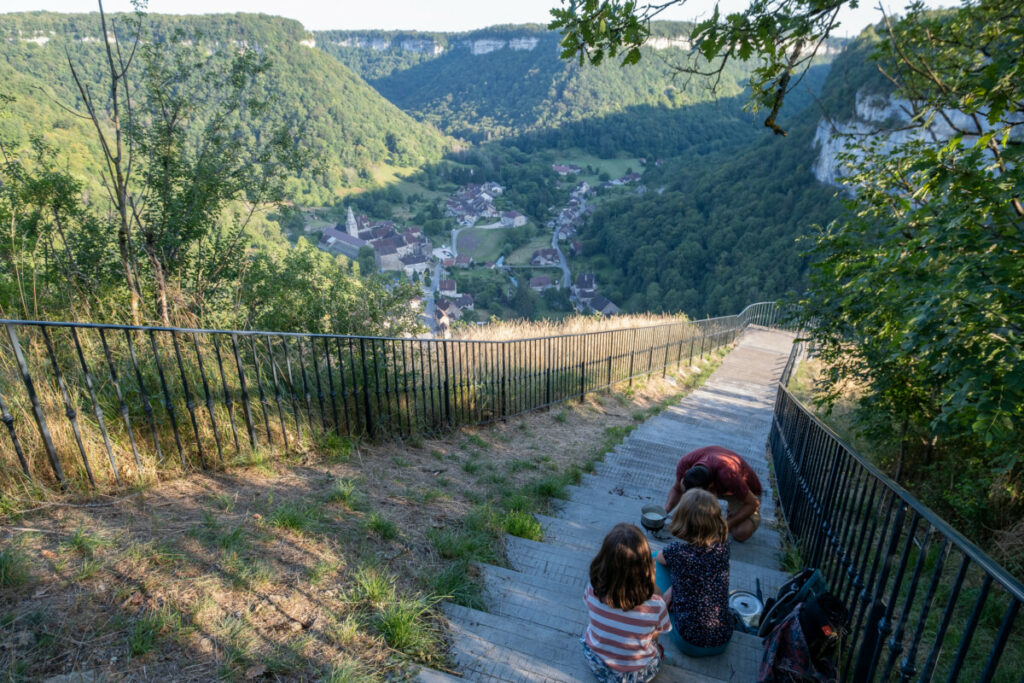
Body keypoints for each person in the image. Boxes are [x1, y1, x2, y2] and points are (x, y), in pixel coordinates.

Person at [582, 523, 672, 682]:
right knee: (657, 649)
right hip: (634, 676)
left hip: (598, 663)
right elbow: (658, 633)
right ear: (646, 567)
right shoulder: (656, 605)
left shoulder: (592, 588)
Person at [655, 488, 735, 657]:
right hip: (723, 639)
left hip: (688, 641)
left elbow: (660, 558)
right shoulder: (723, 547)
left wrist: (674, 587)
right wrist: (677, 587)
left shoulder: (677, 551)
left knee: (655, 558)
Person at [664, 445, 762, 542]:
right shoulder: (686, 463)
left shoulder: (728, 476)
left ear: (709, 489)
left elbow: (753, 504)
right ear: (685, 473)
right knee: (696, 520)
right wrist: (665, 511)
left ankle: (728, 517)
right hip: (720, 485)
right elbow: (677, 490)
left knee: (740, 533)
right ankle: (726, 514)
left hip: (746, 493)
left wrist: (725, 526)